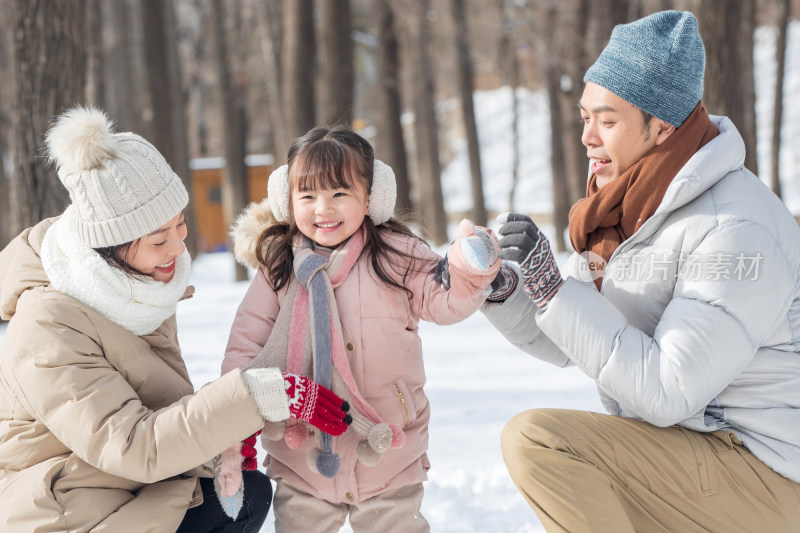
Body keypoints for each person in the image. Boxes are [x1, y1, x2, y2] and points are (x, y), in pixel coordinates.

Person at [482, 10, 800, 532]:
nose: (588, 137)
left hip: (765, 473)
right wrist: (507, 289)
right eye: (584, 117)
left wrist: (553, 288)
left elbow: (667, 390)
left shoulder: (734, 226)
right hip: (696, 451)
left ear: (662, 128)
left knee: (538, 440)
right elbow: (575, 340)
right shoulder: (630, 214)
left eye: (607, 121)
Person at [0, 106, 350, 533]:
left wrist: (225, 435)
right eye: (158, 239)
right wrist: (249, 400)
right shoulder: (47, 326)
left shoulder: (133, 288)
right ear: (108, 249)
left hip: (122, 484)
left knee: (246, 495)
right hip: (68, 509)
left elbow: (153, 414)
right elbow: (132, 444)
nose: (177, 247)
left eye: (180, 225)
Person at [218, 125, 502, 532]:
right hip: (303, 459)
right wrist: (232, 419)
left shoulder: (396, 256)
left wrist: (467, 270)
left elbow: (444, 299)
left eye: (339, 194)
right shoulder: (279, 269)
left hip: (388, 450)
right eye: (308, 196)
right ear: (287, 200)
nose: (323, 209)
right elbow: (245, 347)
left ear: (370, 197)